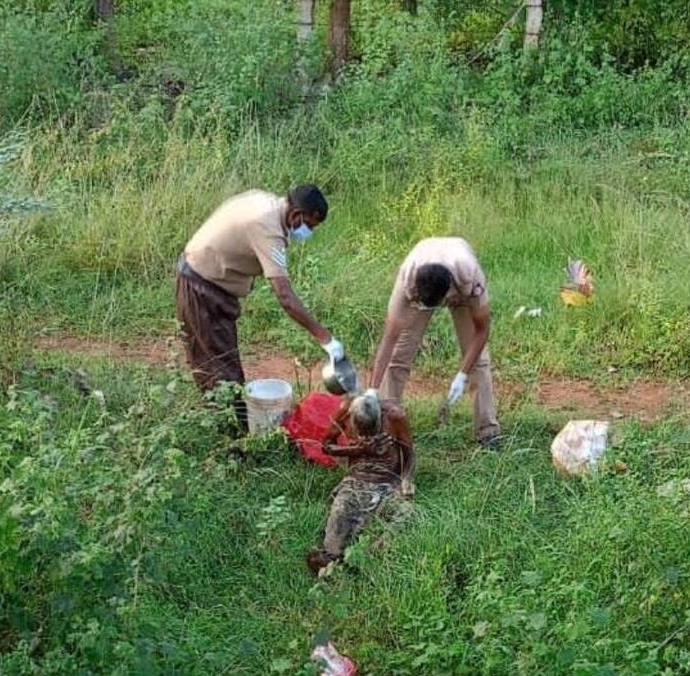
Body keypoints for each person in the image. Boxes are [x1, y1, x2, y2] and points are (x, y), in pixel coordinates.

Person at [176, 185, 345, 431]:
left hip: (210, 285)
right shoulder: (267, 230)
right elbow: (285, 297)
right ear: (296, 213)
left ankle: (232, 431)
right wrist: (325, 338)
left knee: (221, 362)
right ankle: (232, 444)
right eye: (310, 224)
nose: (309, 231)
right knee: (221, 373)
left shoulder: (267, 202)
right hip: (201, 289)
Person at [370, 237, 500, 447]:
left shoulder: (471, 277)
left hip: (460, 280)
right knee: (397, 358)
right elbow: (389, 338)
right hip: (423, 267)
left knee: (479, 362)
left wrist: (462, 374)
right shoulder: (408, 279)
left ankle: (487, 431)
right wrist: (372, 390)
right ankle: (387, 427)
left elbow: (482, 331)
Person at [306, 390, 415, 575]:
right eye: (361, 433)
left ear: (380, 416)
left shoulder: (395, 415)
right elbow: (326, 446)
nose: (366, 437)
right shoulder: (345, 410)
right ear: (352, 420)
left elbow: (409, 453)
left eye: (372, 431)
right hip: (356, 481)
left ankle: (370, 554)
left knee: (406, 513)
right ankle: (333, 557)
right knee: (340, 512)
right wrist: (358, 449)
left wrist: (406, 481)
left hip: (387, 482)